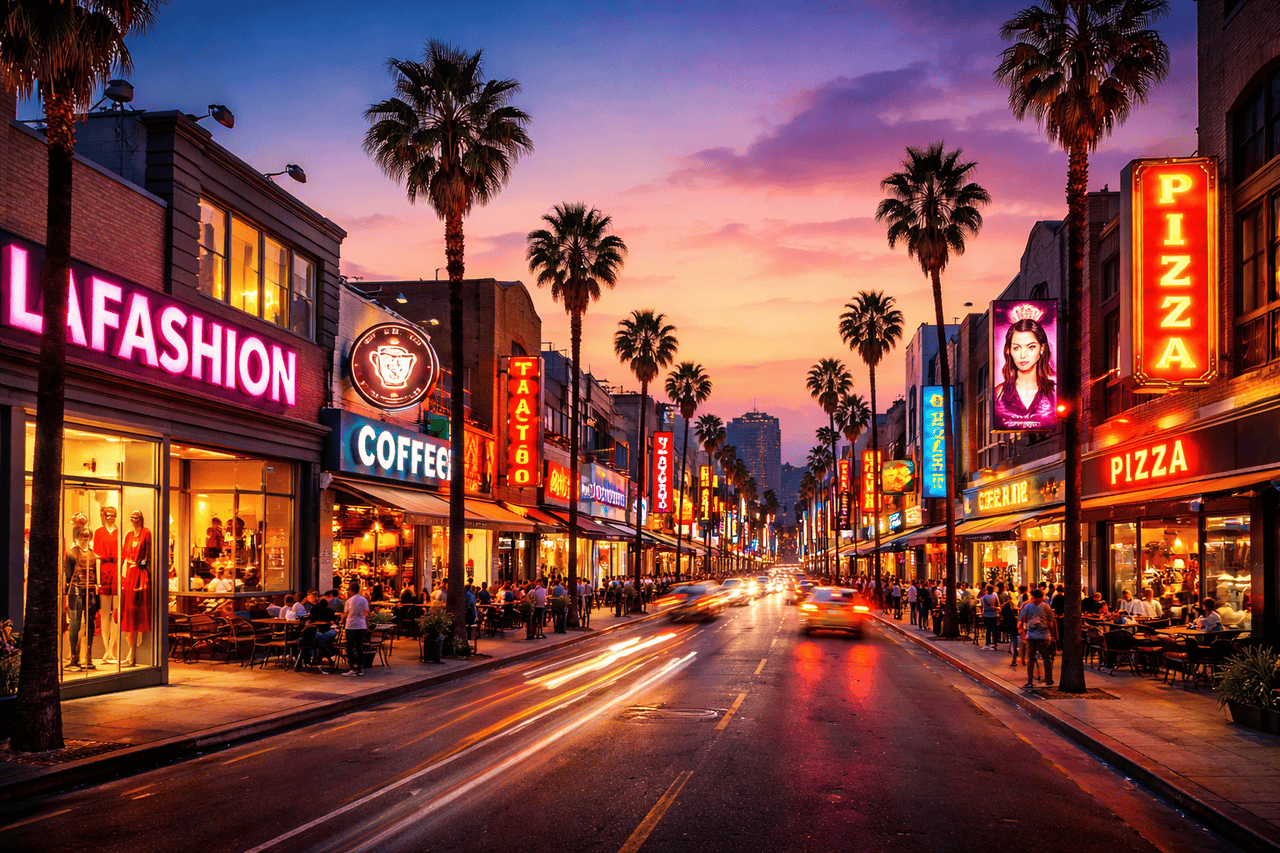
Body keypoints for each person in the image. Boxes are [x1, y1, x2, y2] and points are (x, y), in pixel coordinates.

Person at [993, 315, 1056, 430]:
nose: (1023, 355)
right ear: (1008, 350)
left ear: (1041, 348)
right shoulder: (998, 393)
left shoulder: (1054, 392)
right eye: (1016, 348)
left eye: (1031, 347)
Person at [64, 527, 99, 671]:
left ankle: (88, 656)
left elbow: (96, 575)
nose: (85, 538)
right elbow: (68, 575)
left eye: (87, 535)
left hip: (90, 591)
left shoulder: (93, 555)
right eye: (82, 535)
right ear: (77, 537)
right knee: (75, 624)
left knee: (90, 624)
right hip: (76, 590)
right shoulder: (72, 552)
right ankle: (74, 657)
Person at [1018, 588, 1057, 688]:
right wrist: (1053, 635)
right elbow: (1051, 622)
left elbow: (1021, 617)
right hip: (1043, 635)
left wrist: (1024, 627)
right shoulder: (1046, 607)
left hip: (1031, 635)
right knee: (1046, 658)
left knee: (1031, 657)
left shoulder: (1028, 606)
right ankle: (1049, 679)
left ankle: (1030, 681)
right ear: (1041, 596)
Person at [342, 584, 370, 676]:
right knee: (359, 647)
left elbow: (346, 613)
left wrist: (341, 619)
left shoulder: (349, 601)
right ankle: (360, 668)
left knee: (350, 647)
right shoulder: (364, 599)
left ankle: (352, 668)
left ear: (350, 591)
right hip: (361, 625)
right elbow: (367, 612)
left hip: (351, 625)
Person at [980, 584, 1001, 649]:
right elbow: (998, 603)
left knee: (988, 629)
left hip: (986, 614)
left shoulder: (984, 597)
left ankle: (988, 642)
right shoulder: (995, 595)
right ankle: (995, 642)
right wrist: (996, 608)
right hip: (994, 614)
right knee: (994, 628)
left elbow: (983, 605)